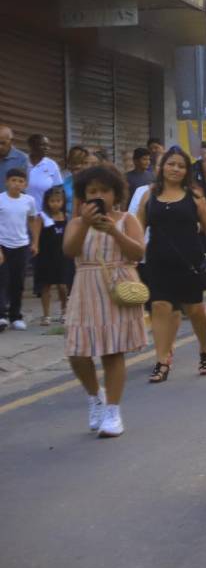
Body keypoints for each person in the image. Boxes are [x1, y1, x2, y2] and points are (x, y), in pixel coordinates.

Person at [62, 164, 147, 438]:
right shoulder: (77, 223)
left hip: (117, 285)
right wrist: (85, 224)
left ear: (116, 193)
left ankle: (112, 410)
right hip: (85, 287)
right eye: (92, 191)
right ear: (83, 196)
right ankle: (94, 397)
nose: (99, 195)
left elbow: (138, 251)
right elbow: (69, 251)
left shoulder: (126, 220)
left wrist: (115, 232)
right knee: (77, 351)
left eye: (105, 191)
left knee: (113, 351)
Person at [138, 147, 206, 383]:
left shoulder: (195, 196)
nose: (175, 169)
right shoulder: (149, 195)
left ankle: (204, 348)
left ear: (187, 171)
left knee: (194, 310)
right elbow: (138, 228)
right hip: (157, 261)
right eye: (171, 164)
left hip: (189, 262)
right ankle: (162, 360)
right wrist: (129, 255)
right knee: (160, 307)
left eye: (181, 165)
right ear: (162, 166)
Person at [0, 168, 40, 331]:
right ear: (6, 182)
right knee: (2, 280)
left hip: (21, 245)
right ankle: (2, 316)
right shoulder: (1, 199)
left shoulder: (29, 201)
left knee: (18, 282)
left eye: (20, 181)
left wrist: (35, 242)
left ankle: (15, 316)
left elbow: (33, 220)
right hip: (3, 244)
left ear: (25, 185)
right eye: (13, 180)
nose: (16, 184)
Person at [35, 186, 70, 326]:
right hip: (46, 255)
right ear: (46, 202)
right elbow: (36, 235)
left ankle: (64, 311)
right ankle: (46, 315)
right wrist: (35, 246)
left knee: (62, 286)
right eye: (52, 201)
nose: (55, 204)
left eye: (58, 201)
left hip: (61, 256)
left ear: (62, 202)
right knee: (46, 286)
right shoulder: (42, 217)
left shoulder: (66, 217)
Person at [24, 134, 63, 211]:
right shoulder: (22, 162)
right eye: (43, 145)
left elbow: (58, 188)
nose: (47, 148)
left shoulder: (51, 164)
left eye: (48, 146)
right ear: (32, 146)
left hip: (45, 213)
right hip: (23, 212)